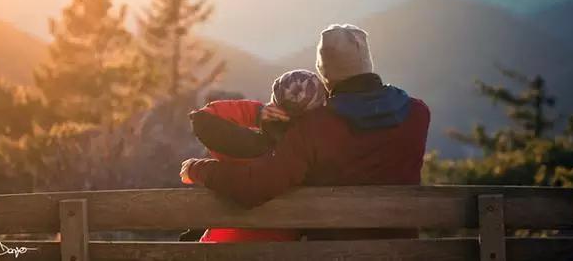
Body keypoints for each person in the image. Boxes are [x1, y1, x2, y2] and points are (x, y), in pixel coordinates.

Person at [180, 24, 431, 239]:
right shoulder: (417, 114)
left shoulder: (314, 127)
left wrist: (198, 169)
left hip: (332, 254)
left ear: (324, 75)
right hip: (401, 252)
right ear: (367, 64)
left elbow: (255, 187)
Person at [181, 69, 327, 243]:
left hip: (222, 247)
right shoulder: (318, 159)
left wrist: (256, 113)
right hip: (279, 250)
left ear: (275, 107)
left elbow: (203, 119)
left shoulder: (247, 148)